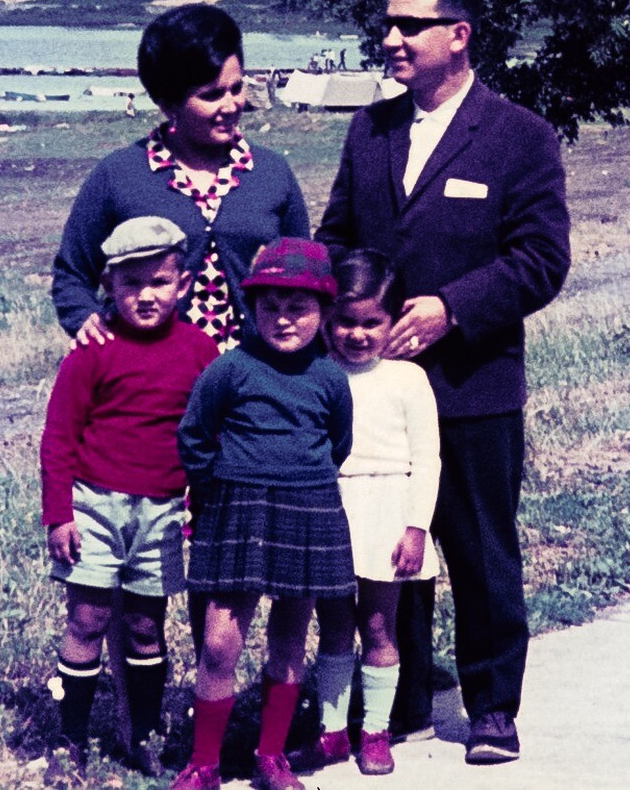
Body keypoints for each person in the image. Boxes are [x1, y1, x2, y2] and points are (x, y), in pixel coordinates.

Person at [316, 0, 570, 766]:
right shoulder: (372, 130)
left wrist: (451, 308)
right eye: (386, 24)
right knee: (386, 548)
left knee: (481, 547)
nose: (390, 39)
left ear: (459, 35)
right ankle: (405, 698)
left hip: (473, 384)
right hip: (372, 394)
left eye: (409, 26)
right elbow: (338, 235)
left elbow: (541, 260)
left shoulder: (520, 136)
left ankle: (493, 707)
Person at [173, 238, 356, 790]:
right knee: (219, 641)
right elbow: (194, 436)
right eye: (269, 306)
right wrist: (220, 488)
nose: (282, 319)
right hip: (238, 508)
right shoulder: (231, 370)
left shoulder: (329, 378)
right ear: (251, 309)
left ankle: (270, 757)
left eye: (297, 308)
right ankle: (203, 763)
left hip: (306, 507)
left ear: (322, 312)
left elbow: (338, 441)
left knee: (289, 638)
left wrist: (301, 480)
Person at [40, 216, 220, 767]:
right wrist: (59, 514)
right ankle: (70, 738)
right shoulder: (92, 348)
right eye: (131, 283)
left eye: (159, 282)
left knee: (146, 625)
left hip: (163, 511)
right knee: (88, 620)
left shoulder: (199, 350)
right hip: (94, 505)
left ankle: (141, 736)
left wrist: (201, 502)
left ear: (183, 283)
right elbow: (59, 437)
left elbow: (208, 434)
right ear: (109, 285)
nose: (146, 296)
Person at [53, 4, 310, 354]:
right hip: (150, 382)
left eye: (236, 88)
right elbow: (72, 275)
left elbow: (305, 274)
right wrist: (87, 322)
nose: (231, 105)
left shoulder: (272, 172)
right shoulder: (118, 175)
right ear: (167, 102)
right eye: (211, 95)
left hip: (254, 378)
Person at [302, 249, 440, 776]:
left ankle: (376, 732)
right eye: (344, 322)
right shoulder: (315, 373)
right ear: (327, 320)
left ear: (392, 321)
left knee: (380, 627)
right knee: (334, 626)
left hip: (388, 510)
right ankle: (332, 733)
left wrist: (415, 527)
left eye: (371, 323)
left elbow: (427, 459)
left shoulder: (408, 380)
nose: (357, 334)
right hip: (331, 509)